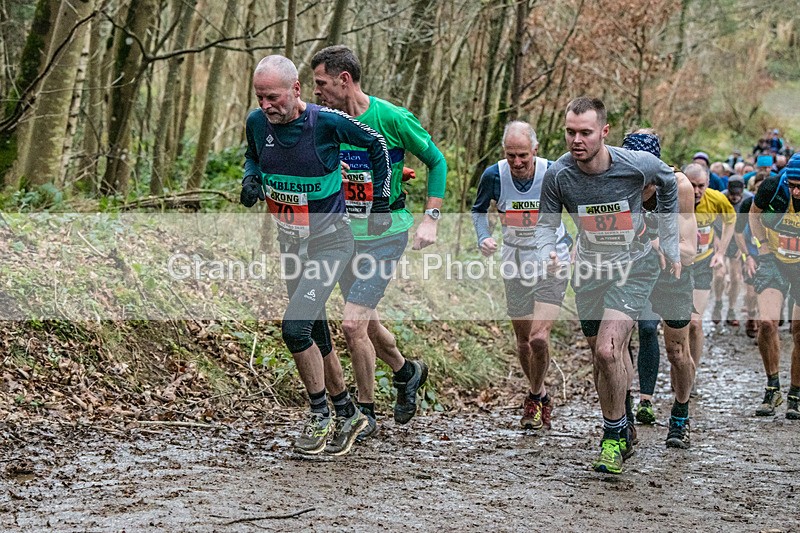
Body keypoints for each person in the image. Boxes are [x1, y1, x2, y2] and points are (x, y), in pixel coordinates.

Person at [241, 55, 393, 455]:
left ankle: (319, 414)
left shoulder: (326, 122)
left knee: (294, 329)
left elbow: (377, 144)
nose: (265, 105)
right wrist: (250, 178)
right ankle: (346, 411)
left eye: (273, 97)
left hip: (331, 242)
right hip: (291, 244)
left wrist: (381, 201)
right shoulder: (258, 123)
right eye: (260, 97)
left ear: (295, 90)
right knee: (316, 334)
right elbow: (252, 156)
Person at [534, 97, 680, 474]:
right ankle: (623, 422)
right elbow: (547, 227)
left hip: (633, 268)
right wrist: (552, 251)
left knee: (607, 350)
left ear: (604, 131)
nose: (576, 140)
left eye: (585, 132)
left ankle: (612, 437)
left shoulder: (635, 165)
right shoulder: (559, 175)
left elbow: (669, 182)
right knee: (602, 362)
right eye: (570, 132)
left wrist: (668, 240)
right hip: (589, 273)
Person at [310, 45, 446, 438]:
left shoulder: (390, 118)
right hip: (343, 236)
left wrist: (431, 220)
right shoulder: (326, 121)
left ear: (344, 80)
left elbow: (437, 162)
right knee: (368, 326)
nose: (317, 92)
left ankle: (366, 412)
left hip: (385, 235)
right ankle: (408, 372)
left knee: (352, 324)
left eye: (321, 83)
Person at [472, 120, 571, 431]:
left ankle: (533, 396)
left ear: (535, 151)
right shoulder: (493, 175)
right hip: (514, 259)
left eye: (523, 156)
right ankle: (539, 394)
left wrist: (575, 247)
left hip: (551, 258)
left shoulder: (554, 172)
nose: (516, 162)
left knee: (539, 338)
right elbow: (477, 211)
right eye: (511, 155)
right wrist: (483, 237)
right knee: (524, 340)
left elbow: (579, 210)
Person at [622, 130, 698, 449]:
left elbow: (690, 249)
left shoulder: (679, 186)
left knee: (677, 352)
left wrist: (654, 243)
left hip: (671, 274)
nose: (637, 186)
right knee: (617, 343)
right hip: (632, 272)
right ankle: (622, 419)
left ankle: (680, 412)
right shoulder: (616, 183)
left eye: (644, 179)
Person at [748, 153, 800, 419]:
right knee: (767, 322)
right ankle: (772, 387)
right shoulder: (771, 187)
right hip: (774, 261)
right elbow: (754, 216)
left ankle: (796, 393)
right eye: (792, 184)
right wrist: (763, 246)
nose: (797, 190)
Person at [685, 163, 735, 373]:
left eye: (701, 186)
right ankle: (679, 367)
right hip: (676, 267)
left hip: (702, 264)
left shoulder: (716, 199)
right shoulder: (672, 196)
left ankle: (691, 373)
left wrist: (721, 252)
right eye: (692, 186)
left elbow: (731, 220)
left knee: (695, 323)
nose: (696, 191)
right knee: (679, 325)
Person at [710, 175, 752, 328]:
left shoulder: (749, 199)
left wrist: (743, 246)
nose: (735, 197)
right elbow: (710, 221)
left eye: (738, 194)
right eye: (732, 194)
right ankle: (718, 301)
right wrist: (715, 240)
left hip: (737, 239)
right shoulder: (719, 197)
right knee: (720, 274)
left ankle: (732, 309)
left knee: (735, 277)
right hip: (720, 235)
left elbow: (751, 225)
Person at [736, 172, 768, 338]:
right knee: (750, 293)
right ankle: (751, 316)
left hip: (770, 254)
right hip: (750, 251)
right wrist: (746, 256)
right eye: (757, 189)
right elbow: (738, 232)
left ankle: (763, 325)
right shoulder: (747, 203)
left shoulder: (775, 204)